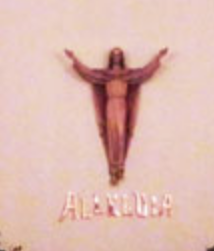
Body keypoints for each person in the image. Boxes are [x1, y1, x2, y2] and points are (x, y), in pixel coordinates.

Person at [64, 46, 168, 184]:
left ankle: (119, 165)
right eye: (114, 55)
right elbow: (88, 73)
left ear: (122, 58)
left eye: (119, 55)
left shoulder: (128, 74)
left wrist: (158, 58)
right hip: (111, 104)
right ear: (111, 58)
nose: (116, 58)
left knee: (121, 132)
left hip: (121, 104)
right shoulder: (105, 75)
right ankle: (114, 166)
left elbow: (144, 72)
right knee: (112, 132)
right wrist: (74, 59)